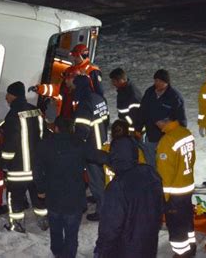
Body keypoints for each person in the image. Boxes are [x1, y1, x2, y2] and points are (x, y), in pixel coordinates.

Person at [34, 116, 109, 258]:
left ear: (55, 128)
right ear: (71, 129)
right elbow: (98, 156)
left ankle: (57, 253)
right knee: (71, 234)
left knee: (55, 231)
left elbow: (37, 170)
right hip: (74, 199)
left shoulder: (45, 144)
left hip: (53, 197)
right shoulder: (79, 144)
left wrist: (41, 190)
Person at [93, 116, 164, 258]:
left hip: (126, 249)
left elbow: (110, 229)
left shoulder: (116, 187)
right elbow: (159, 207)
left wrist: (100, 251)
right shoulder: (151, 174)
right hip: (148, 244)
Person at [0, 81, 48, 233]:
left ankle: (17, 224)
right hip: (37, 167)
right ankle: (43, 220)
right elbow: (44, 135)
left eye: (7, 94)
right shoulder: (37, 111)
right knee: (38, 195)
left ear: (13, 95)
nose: (6, 97)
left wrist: (4, 162)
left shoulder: (12, 115)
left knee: (14, 196)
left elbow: (10, 143)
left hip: (19, 167)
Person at [156, 115, 196, 257]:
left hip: (175, 192)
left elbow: (165, 174)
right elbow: (193, 159)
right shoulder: (185, 133)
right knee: (187, 218)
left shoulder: (167, 141)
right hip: (187, 185)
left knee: (176, 225)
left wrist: (164, 198)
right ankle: (191, 246)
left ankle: (181, 253)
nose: (156, 125)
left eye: (157, 121)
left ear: (164, 121)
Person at [29, 43, 104, 120]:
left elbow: (98, 95)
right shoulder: (69, 70)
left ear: (82, 56)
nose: (74, 58)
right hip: (64, 113)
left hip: (81, 114)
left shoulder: (93, 71)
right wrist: (40, 88)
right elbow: (59, 89)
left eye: (76, 56)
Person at [72, 74, 109, 221]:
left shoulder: (84, 104)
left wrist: (75, 145)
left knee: (96, 181)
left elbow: (82, 131)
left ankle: (102, 210)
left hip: (92, 149)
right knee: (101, 178)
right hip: (103, 144)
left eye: (74, 86)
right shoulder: (99, 98)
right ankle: (100, 201)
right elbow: (106, 121)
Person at [136, 69, 186, 168]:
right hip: (151, 136)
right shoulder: (149, 92)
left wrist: (170, 127)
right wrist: (137, 128)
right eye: (156, 80)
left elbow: (182, 121)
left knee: (165, 163)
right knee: (151, 162)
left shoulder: (175, 97)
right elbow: (142, 111)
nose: (157, 83)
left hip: (166, 138)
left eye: (160, 81)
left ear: (166, 82)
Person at [109, 67, 142, 132]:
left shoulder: (132, 94)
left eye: (114, 81)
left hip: (134, 130)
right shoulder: (123, 91)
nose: (113, 84)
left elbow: (137, 116)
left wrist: (134, 130)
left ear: (121, 80)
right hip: (127, 127)